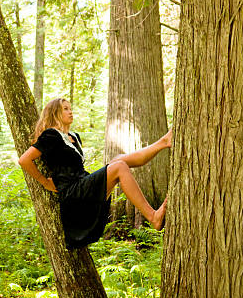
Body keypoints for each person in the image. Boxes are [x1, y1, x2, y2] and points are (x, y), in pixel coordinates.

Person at [18, 97, 171, 249]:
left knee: (119, 160)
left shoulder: (74, 137)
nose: (70, 112)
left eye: (70, 108)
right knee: (119, 167)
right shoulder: (51, 135)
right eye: (65, 108)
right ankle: (152, 217)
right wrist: (45, 182)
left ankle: (163, 142)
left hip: (83, 185)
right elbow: (24, 160)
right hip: (73, 194)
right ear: (54, 113)